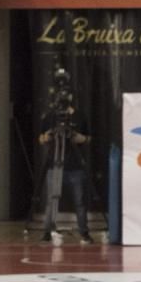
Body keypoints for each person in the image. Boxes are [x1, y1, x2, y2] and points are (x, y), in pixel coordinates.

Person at [38, 68, 93, 245]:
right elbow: (41, 138)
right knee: (51, 202)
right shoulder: (50, 116)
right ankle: (47, 232)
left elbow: (89, 138)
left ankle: (84, 232)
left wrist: (80, 138)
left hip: (75, 165)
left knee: (80, 201)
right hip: (55, 164)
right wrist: (47, 137)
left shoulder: (79, 115)